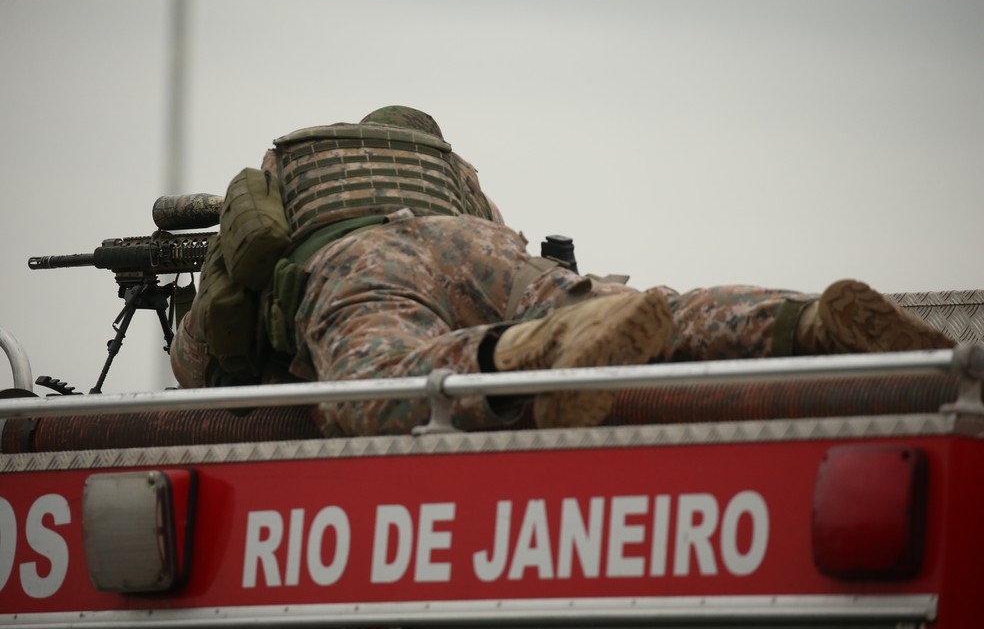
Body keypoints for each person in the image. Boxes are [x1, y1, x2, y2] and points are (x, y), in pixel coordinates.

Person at [171, 106, 954, 437]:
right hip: (478, 245)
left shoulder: (284, 174)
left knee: (377, 384)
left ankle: (524, 357)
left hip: (356, 267)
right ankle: (804, 320)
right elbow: (497, 239)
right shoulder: (444, 170)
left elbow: (207, 355)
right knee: (641, 309)